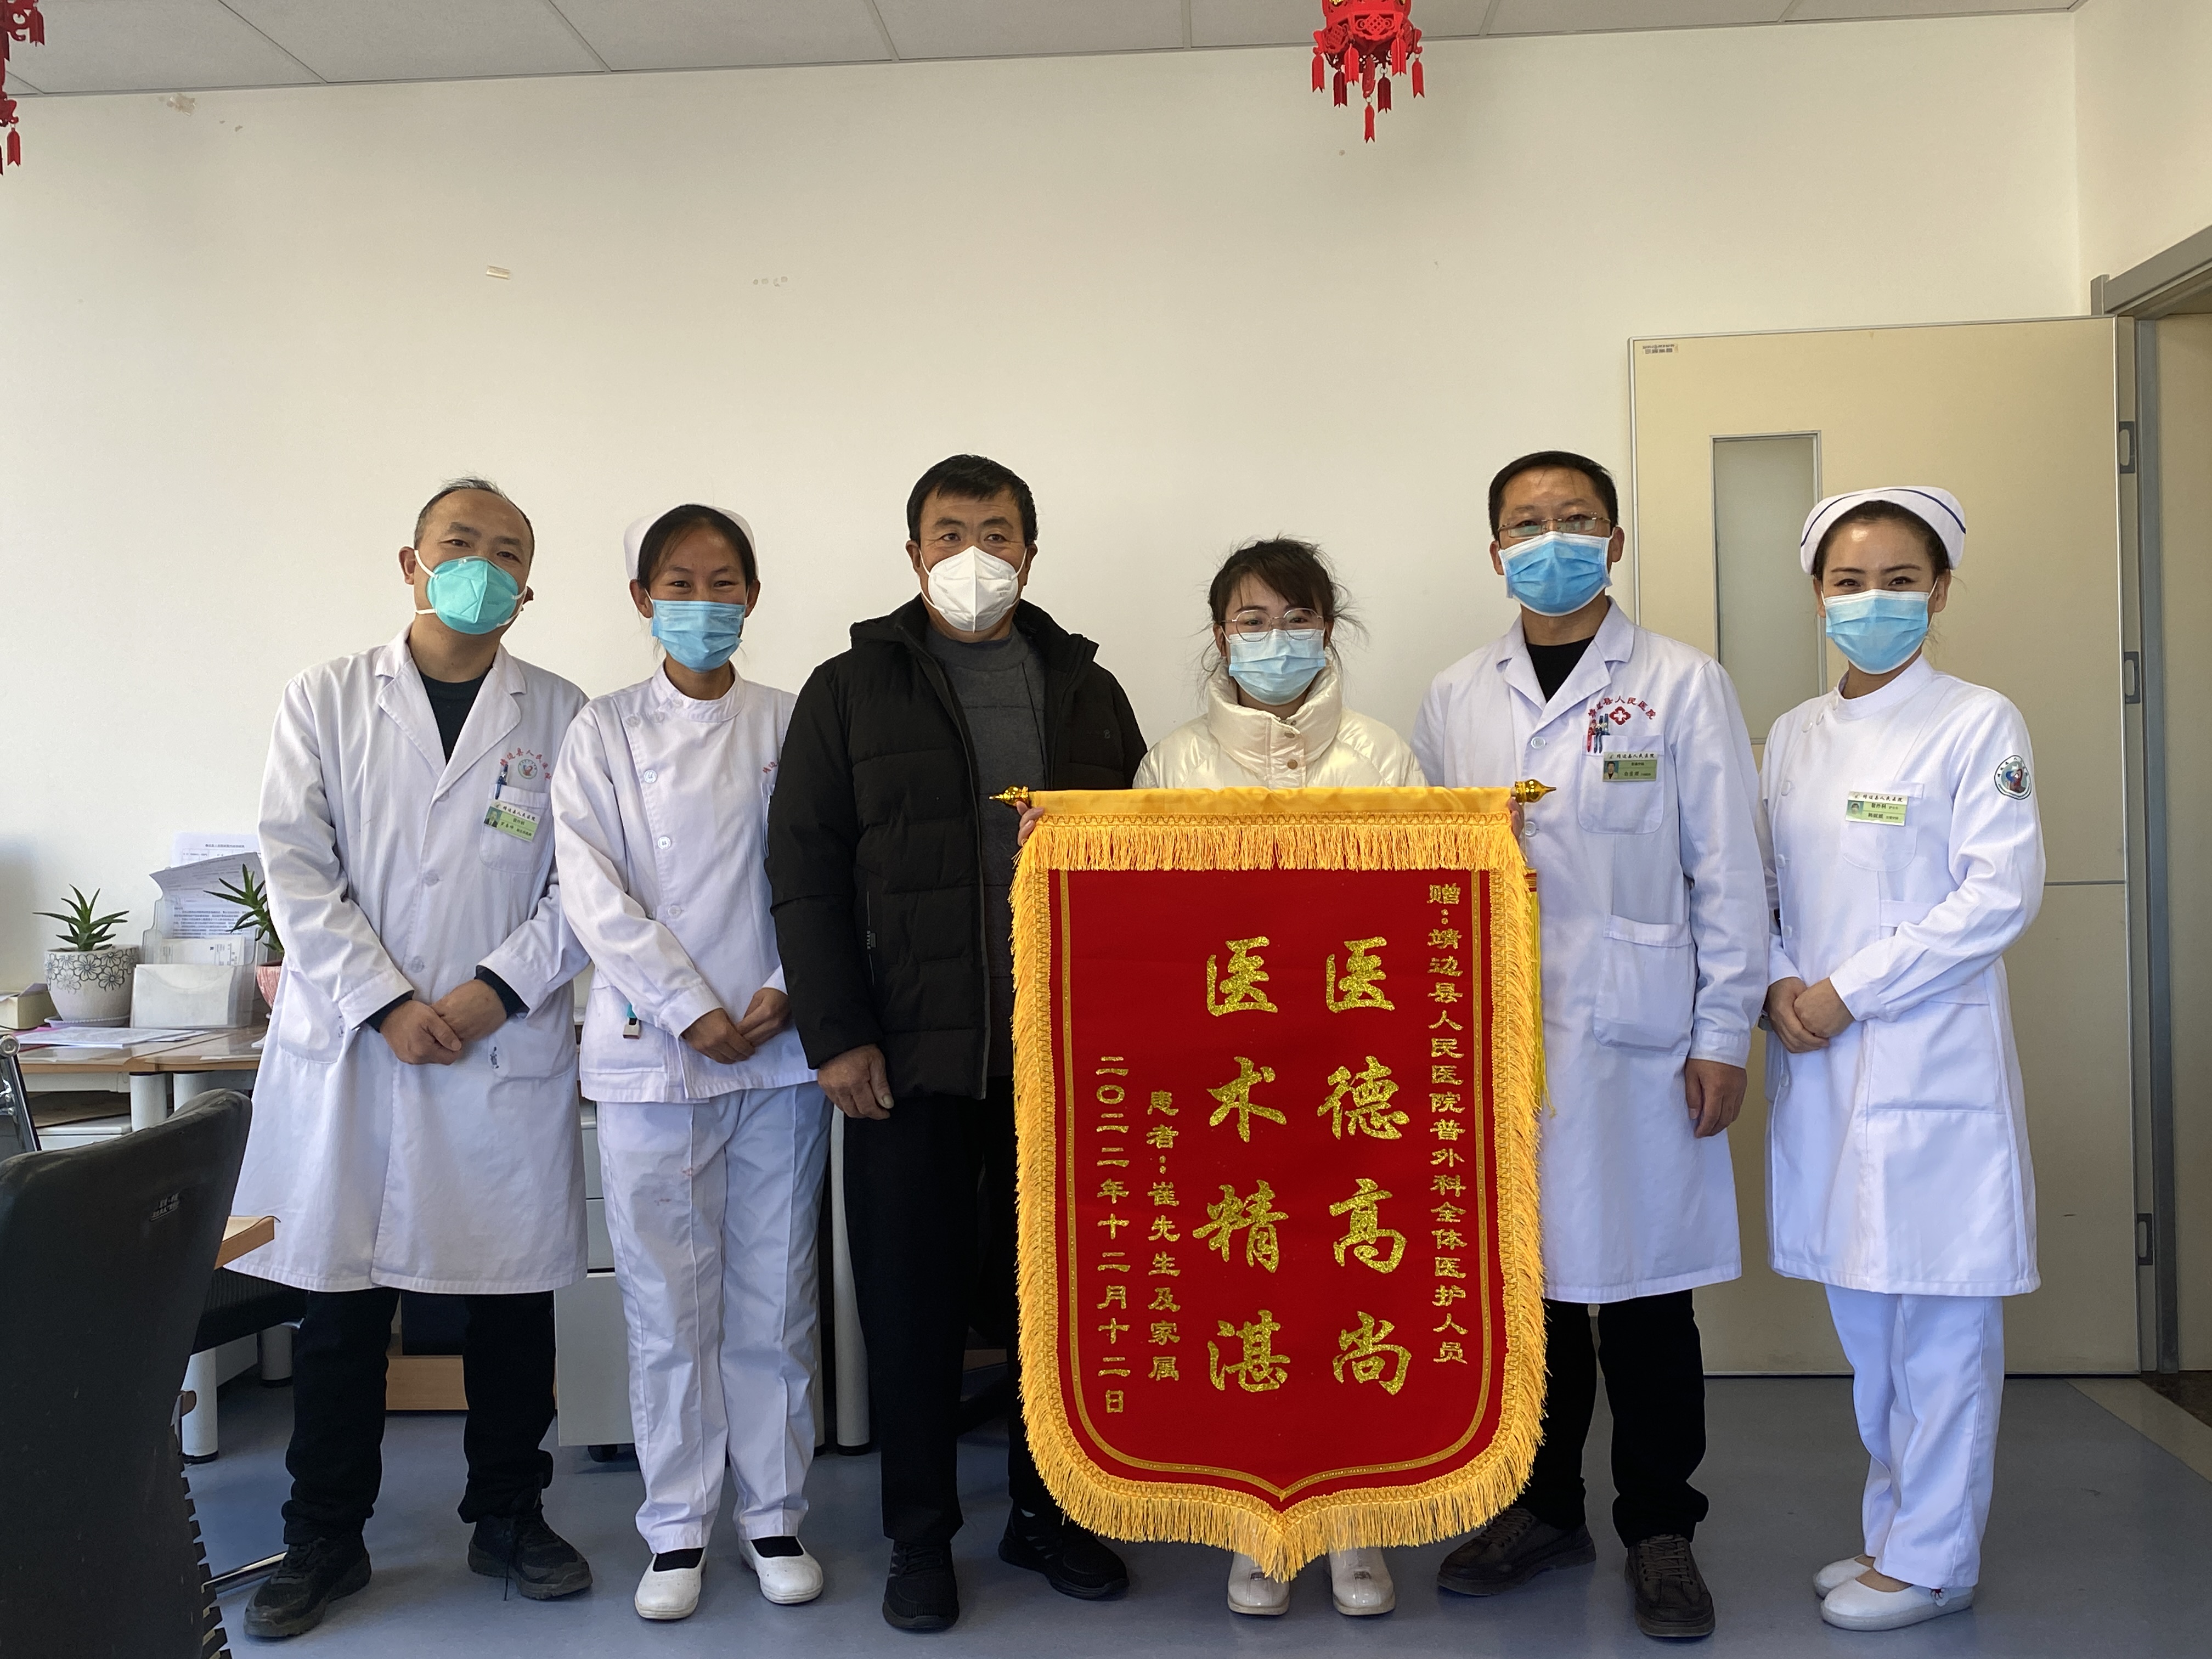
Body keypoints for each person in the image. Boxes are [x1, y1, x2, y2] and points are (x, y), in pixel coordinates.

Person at [767, 454, 1148, 1634]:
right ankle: (919, 1538)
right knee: (911, 1306)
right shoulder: (849, 689)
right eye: (949, 533)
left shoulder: (1087, 689)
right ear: (913, 552)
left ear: (1030, 551)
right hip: (907, 1060)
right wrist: (838, 1036)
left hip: (1064, 1063)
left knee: (1059, 1303)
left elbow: (1149, 868)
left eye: (997, 532)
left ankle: (1049, 1514)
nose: (973, 554)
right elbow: (805, 873)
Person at [1412, 450, 1766, 1641]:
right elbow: (1426, 869)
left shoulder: (1682, 684)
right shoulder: (1457, 695)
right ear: (1495, 550)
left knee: (1648, 1295)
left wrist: (1723, 1033)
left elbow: (1729, 871)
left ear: (1614, 542)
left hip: (1639, 1038)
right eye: (1526, 523)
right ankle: (1543, 1509)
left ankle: (1661, 1529)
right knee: (1532, 1294)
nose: (1550, 538)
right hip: (1496, 1040)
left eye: (1575, 519)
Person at [232, 479, 593, 1639]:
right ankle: (324, 1536)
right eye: (460, 544)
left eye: (508, 553)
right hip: (358, 1047)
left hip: (500, 1042)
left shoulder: (564, 714)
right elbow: (296, 867)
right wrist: (386, 1002)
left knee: (510, 1302)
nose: (482, 566)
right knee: (341, 1308)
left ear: (528, 586)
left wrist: (495, 992)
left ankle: (510, 1516)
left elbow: (585, 884)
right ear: (411, 562)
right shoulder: (327, 697)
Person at [1121, 537, 1419, 1617]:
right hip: (1227, 1086)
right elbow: (1145, 927)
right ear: (1219, 635)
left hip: (1349, 1077)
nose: (1275, 640)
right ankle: (1258, 1526)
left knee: (1347, 1296)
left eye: (1295, 619)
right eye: (1252, 621)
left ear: (1328, 630)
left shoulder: (1383, 755)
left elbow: (1416, 911)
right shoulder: (1171, 765)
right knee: (1242, 1298)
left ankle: (1353, 1526)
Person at [1760, 488, 2040, 1634]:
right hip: (1823, 1063)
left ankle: (1935, 1560)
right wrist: (1778, 981)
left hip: (1928, 1062)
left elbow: (1998, 895)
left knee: (1940, 1325)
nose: (1871, 601)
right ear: (1818, 594)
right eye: (1848, 582)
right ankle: (1895, 1538)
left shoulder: (1979, 723)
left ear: (1941, 590)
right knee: (1870, 1327)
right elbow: (1767, 886)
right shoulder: (1792, 735)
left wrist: (1847, 992)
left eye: (1898, 581)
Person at [551, 504, 832, 1622]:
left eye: (724, 583)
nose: (703, 602)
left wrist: (786, 986)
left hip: (778, 1050)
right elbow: (591, 891)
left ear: (753, 597)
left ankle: (774, 1517)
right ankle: (675, 1529)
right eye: (680, 583)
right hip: (652, 1054)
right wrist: (688, 1006)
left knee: (775, 1297)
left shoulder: (795, 721)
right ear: (642, 599)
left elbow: (826, 868)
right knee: (668, 1308)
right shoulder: (602, 732)